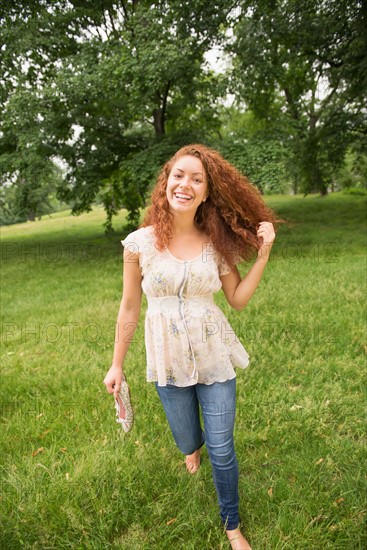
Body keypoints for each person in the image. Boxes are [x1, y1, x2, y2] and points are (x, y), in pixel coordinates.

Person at [103, 143, 280, 550]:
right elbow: (130, 305)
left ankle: (232, 524)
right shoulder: (139, 244)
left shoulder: (215, 242)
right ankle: (189, 449)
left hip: (214, 357)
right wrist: (117, 365)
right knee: (188, 438)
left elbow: (236, 299)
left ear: (205, 193)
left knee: (222, 448)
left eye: (197, 179)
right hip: (167, 360)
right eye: (178, 175)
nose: (185, 184)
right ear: (166, 183)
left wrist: (264, 253)